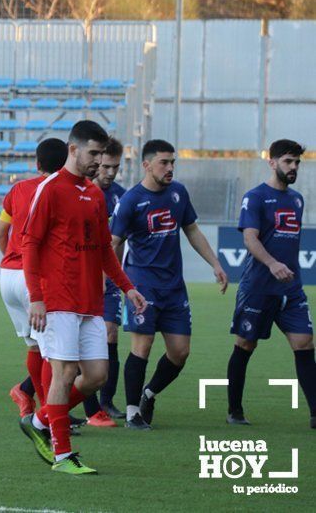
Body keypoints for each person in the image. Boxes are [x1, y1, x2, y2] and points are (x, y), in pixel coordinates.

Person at [18, 120, 147, 475]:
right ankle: (63, 455)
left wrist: (127, 286)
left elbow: (105, 250)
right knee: (64, 373)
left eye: (101, 154)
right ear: (73, 149)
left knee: (97, 376)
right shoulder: (50, 189)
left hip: (90, 300)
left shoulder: (93, 194)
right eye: (93, 153)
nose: (97, 161)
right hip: (58, 299)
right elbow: (29, 244)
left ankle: (41, 422)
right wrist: (37, 297)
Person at [111, 139, 228, 430]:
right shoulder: (130, 201)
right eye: (164, 162)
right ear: (147, 165)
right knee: (143, 344)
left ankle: (148, 394)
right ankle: (131, 413)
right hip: (142, 284)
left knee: (180, 351)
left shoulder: (178, 193)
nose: (170, 168)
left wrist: (215, 263)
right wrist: (115, 281)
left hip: (174, 287)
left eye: (173, 162)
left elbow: (192, 230)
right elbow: (113, 243)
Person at [226, 139, 315, 428]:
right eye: (288, 161)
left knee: (304, 343)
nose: (294, 167)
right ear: (272, 161)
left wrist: (284, 268)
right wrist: (272, 263)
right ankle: (234, 411)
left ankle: (315, 414)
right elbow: (250, 238)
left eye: (297, 162)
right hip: (259, 288)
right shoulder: (255, 197)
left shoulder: (297, 199)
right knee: (245, 344)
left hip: (290, 289)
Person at [0, 138, 68, 420]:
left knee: (34, 346)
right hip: (33, 278)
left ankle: (33, 404)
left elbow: (1, 233)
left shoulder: (17, 189)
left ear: (37, 164)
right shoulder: (63, 191)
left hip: (7, 276)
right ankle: (48, 414)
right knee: (52, 351)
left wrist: (13, 261)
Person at [81, 136, 127, 425]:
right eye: (106, 166)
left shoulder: (123, 197)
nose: (110, 172)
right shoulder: (80, 193)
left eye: (115, 167)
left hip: (108, 281)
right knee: (75, 347)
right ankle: (87, 405)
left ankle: (106, 402)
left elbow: (119, 244)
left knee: (111, 335)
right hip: (80, 279)